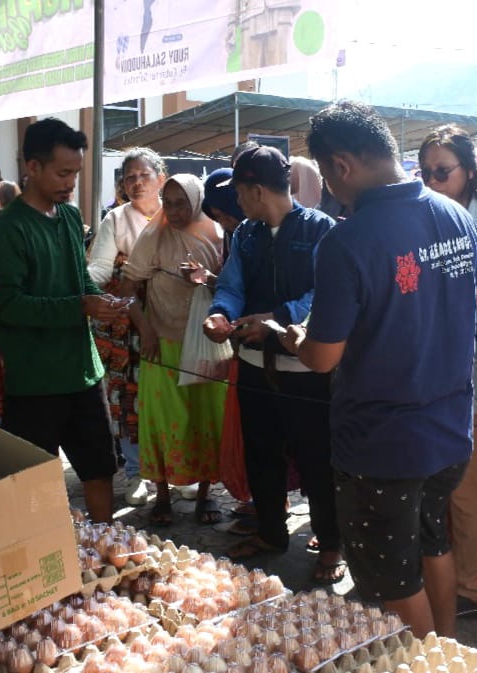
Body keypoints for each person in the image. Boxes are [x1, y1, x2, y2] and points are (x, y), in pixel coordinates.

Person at [281, 100, 477, 638]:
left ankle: (424, 662)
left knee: (392, 578)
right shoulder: (455, 214)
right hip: (450, 433)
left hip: (383, 444)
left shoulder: (347, 240)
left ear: (340, 165)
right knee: (432, 543)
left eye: (324, 173)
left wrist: (290, 336)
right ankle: (447, 653)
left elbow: (323, 356)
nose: (328, 187)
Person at [202, 146, 344, 585]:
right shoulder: (245, 234)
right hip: (251, 364)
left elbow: (326, 295)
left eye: (239, 192)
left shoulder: (324, 231)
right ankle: (270, 534)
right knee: (261, 453)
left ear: (257, 190)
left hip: (306, 370)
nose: (236, 202)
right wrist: (220, 314)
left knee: (318, 460)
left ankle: (331, 544)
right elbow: (231, 285)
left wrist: (277, 319)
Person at [0, 117, 128, 524]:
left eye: (76, 173)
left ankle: (104, 546)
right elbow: (10, 305)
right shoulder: (8, 230)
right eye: (63, 172)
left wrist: (102, 302)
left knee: (100, 470)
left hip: (83, 372)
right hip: (34, 380)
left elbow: (80, 278)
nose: (71, 183)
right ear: (32, 167)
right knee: (36, 483)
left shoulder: (68, 218)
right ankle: (44, 558)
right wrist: (80, 307)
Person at [419, 125, 477, 611]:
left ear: (468, 174)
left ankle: (470, 588)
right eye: (426, 173)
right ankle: (433, 576)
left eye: (443, 172)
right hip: (418, 378)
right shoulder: (416, 220)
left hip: (469, 379)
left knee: (466, 494)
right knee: (427, 488)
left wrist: (467, 298)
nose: (434, 182)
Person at [119, 174, 227, 527]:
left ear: (197, 201)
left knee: (206, 416)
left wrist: (206, 278)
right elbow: (126, 289)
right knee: (164, 419)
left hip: (206, 343)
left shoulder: (216, 233)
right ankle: (162, 495)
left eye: (183, 203)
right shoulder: (155, 235)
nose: (175, 211)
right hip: (161, 342)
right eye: (169, 202)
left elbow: (230, 287)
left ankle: (205, 493)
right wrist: (145, 329)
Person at [87, 147, 168, 507]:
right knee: (128, 397)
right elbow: (102, 269)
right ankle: (136, 473)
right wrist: (78, 286)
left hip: (169, 318)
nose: (136, 183)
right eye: (129, 177)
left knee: (167, 395)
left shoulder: (175, 214)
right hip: (126, 326)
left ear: (160, 178)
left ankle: (173, 471)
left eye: (143, 176)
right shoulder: (116, 220)